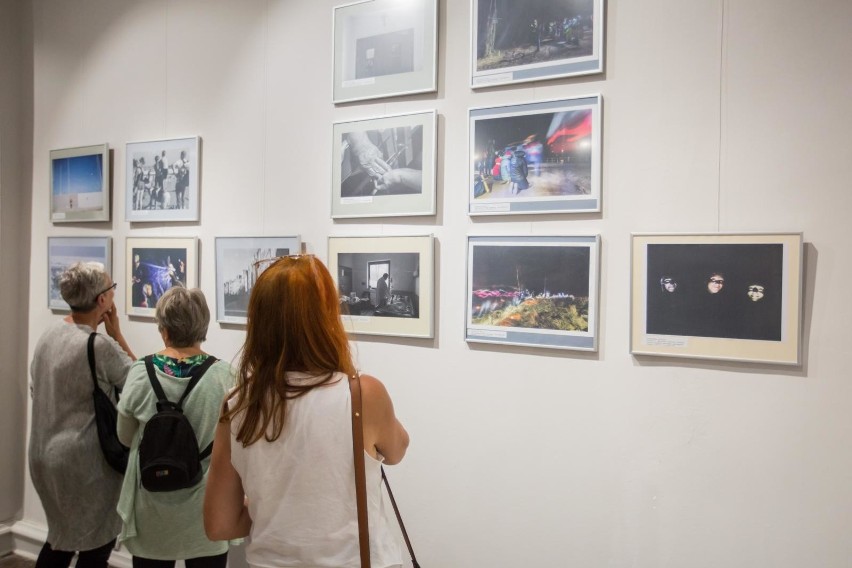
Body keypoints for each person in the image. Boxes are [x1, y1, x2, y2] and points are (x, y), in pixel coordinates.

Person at [203, 255, 409, 567]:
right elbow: (397, 451)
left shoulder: (239, 403)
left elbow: (219, 524)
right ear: (327, 318)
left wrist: (274, 513)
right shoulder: (363, 395)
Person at [116, 287, 235, 568]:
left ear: (163, 329)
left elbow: (123, 436)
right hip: (206, 510)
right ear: (203, 326)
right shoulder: (225, 376)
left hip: (152, 505)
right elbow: (235, 445)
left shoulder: (140, 372)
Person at [29, 262, 136, 568]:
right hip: (85, 465)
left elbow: (37, 388)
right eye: (111, 287)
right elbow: (140, 383)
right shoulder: (99, 346)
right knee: (95, 547)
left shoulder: (49, 336)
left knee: (59, 540)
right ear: (102, 300)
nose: (114, 292)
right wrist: (118, 335)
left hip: (44, 457)